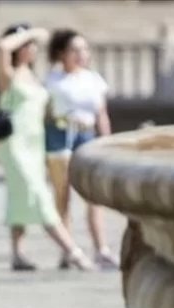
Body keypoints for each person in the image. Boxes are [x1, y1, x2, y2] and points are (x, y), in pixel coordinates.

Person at [0, 24, 93, 272]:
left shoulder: (34, 76)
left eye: (34, 46)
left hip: (35, 143)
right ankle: (74, 251)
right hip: (14, 143)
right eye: (28, 46)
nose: (33, 49)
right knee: (38, 195)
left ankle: (17, 253)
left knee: (19, 196)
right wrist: (31, 32)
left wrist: (68, 120)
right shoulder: (8, 74)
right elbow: (2, 47)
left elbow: (45, 112)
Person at [44, 29, 119, 271]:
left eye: (84, 49)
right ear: (61, 53)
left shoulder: (93, 79)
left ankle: (101, 249)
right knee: (62, 196)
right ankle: (68, 250)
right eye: (74, 50)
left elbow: (101, 114)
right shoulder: (52, 81)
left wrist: (106, 142)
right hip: (61, 136)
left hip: (87, 136)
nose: (81, 55)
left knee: (93, 197)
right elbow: (44, 114)